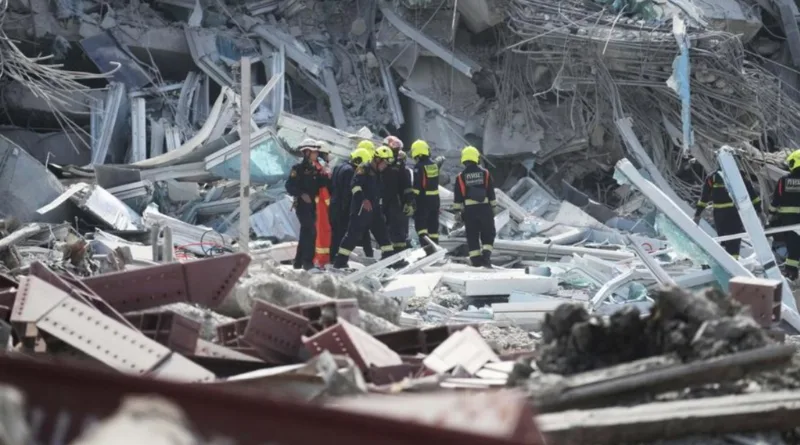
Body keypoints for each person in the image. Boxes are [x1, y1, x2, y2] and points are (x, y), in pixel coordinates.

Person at [332, 146, 394, 269]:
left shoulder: (378, 173)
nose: (385, 166)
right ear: (377, 159)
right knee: (353, 236)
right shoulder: (363, 168)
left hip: (375, 209)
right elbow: (355, 185)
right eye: (384, 162)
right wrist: (363, 199)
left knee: (382, 233)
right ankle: (340, 262)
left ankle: (389, 257)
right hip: (361, 209)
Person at [693, 168, 762, 259]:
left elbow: (704, 198)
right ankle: (734, 264)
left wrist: (697, 214)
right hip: (734, 213)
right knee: (734, 241)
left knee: (724, 240)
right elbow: (752, 194)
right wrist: (759, 211)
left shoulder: (712, 177)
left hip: (719, 215)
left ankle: (726, 263)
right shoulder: (738, 175)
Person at [286, 139, 328, 270]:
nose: (317, 154)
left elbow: (322, 184)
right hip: (302, 205)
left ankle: (298, 262)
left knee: (305, 233)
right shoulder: (297, 168)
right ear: (307, 152)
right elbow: (289, 186)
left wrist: (325, 172)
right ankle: (307, 262)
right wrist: (301, 194)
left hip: (312, 206)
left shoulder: (316, 168)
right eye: (314, 152)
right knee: (311, 231)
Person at [452, 146, 497, 267]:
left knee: (472, 235)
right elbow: (491, 191)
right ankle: (486, 255)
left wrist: (457, 212)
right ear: (476, 158)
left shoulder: (460, 177)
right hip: (485, 209)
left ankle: (476, 261)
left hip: (469, 211)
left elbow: (457, 196)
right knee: (488, 232)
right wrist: (494, 207)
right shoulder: (485, 173)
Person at [330, 147, 369, 260]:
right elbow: (348, 193)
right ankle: (336, 258)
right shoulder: (350, 171)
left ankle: (332, 257)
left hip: (334, 205)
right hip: (342, 207)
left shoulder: (339, 166)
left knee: (335, 233)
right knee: (341, 234)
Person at [381, 136, 414, 256]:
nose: (395, 153)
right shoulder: (378, 161)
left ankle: (398, 255)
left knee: (397, 228)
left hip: (394, 200)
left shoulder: (399, 165)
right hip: (379, 199)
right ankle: (385, 253)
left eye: (396, 151)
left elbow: (406, 185)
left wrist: (409, 202)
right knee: (380, 227)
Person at [770, 150, 800, 280]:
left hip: (788, 219)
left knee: (792, 244)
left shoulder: (784, 180)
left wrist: (771, 214)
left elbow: (776, 199)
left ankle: (791, 273)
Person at [410, 139, 440, 250]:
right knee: (433, 226)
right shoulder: (434, 165)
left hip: (423, 200)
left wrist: (412, 199)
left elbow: (418, 186)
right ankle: (435, 249)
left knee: (421, 226)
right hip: (435, 200)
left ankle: (427, 249)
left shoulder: (419, 166)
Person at [313, 145, 333, 267]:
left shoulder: (317, 167)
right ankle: (322, 260)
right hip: (320, 204)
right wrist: (329, 203)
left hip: (317, 204)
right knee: (323, 231)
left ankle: (319, 258)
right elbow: (323, 188)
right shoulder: (319, 168)